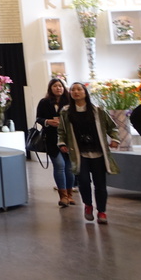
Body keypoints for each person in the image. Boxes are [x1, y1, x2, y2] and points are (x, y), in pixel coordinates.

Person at [58, 82, 120, 224]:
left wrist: (115, 139)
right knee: (84, 182)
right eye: (73, 90)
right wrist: (62, 143)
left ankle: (102, 211)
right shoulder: (66, 112)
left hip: (98, 153)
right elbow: (61, 131)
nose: (76, 92)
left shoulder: (98, 110)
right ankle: (88, 205)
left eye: (79, 89)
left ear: (85, 92)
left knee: (100, 184)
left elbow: (112, 127)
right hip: (79, 153)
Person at [36, 79, 75, 207]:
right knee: (59, 165)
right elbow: (38, 118)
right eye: (55, 86)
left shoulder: (69, 102)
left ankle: (69, 195)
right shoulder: (44, 102)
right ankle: (63, 196)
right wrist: (48, 122)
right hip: (51, 139)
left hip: (68, 139)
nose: (58, 88)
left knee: (69, 167)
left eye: (60, 86)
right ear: (50, 88)